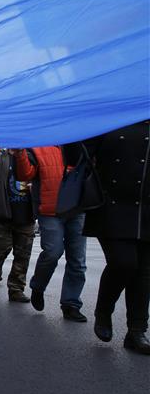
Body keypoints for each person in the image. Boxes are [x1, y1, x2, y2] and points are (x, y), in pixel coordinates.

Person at [63, 122, 150, 354]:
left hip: (147, 210)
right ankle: (104, 310)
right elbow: (74, 157)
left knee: (143, 272)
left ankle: (137, 330)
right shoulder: (112, 118)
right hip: (112, 206)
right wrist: (75, 125)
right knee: (124, 263)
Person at [15, 146, 88, 322]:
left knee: (77, 261)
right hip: (50, 211)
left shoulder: (81, 141)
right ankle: (38, 286)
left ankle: (71, 304)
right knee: (53, 252)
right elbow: (24, 175)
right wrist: (20, 153)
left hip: (77, 209)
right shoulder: (39, 146)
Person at [0, 149, 35, 303]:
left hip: (26, 216)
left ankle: (16, 289)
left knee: (22, 256)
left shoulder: (31, 157)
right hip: (2, 216)